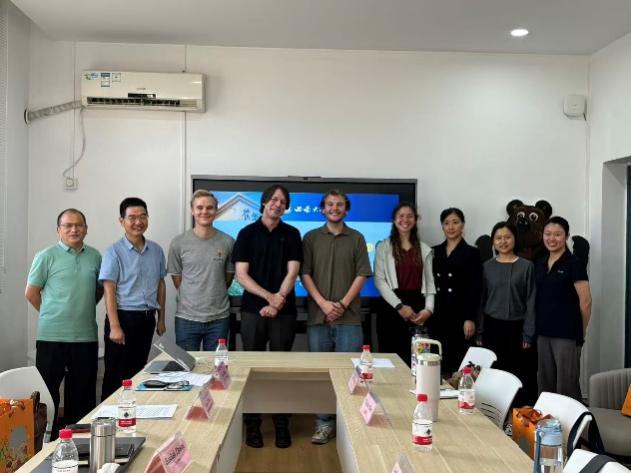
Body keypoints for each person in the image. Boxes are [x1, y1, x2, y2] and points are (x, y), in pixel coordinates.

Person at [232, 184, 302, 449]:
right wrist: (269, 298)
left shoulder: (292, 234)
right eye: (273, 199)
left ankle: (282, 424)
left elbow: (293, 272)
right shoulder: (247, 233)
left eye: (283, 201)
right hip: (253, 311)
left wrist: (278, 300)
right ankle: (253, 425)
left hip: (284, 312)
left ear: (286, 207)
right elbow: (241, 275)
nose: (277, 204)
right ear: (263, 202)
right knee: (252, 370)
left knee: (281, 370)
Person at [301, 190, 372, 445]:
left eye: (339, 204)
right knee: (322, 374)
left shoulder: (357, 238)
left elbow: (362, 274)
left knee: (351, 374)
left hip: (349, 318)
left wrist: (341, 304)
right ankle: (323, 423)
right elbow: (305, 274)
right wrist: (323, 304)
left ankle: (350, 424)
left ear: (346, 209)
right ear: (323, 208)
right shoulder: (310, 238)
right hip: (317, 317)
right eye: (329, 204)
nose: (334, 208)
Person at [25, 209, 102, 434]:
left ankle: (79, 442)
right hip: (51, 337)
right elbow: (31, 293)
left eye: (79, 225)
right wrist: (51, 313)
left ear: (86, 229)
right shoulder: (45, 256)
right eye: (68, 225)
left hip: (85, 337)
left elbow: (98, 292)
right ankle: (45, 444)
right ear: (58, 230)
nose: (73, 229)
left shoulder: (95, 257)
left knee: (82, 395)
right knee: (47, 395)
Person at [99, 197, 167, 400]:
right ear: (122, 221)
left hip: (147, 319)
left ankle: (131, 413)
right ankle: (109, 415)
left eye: (143, 216)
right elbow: (109, 289)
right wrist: (115, 326)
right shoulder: (113, 252)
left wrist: (161, 318)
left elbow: (161, 284)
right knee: (116, 374)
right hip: (123, 318)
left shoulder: (156, 250)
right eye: (132, 217)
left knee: (138, 372)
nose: (138, 222)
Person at [167, 190, 234, 351]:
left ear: (216, 211)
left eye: (209, 207)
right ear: (192, 210)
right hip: (186, 318)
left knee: (217, 364)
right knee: (187, 365)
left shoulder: (228, 242)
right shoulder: (178, 243)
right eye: (199, 207)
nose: (204, 211)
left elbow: (227, 279)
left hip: (219, 318)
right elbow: (178, 280)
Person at [479, 221, 537, 405]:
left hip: (517, 328)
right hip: (492, 327)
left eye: (507, 237)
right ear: (493, 242)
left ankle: (518, 415)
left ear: (515, 239)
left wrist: (528, 333)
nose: (503, 241)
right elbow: (481, 301)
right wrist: (480, 331)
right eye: (498, 238)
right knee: (494, 373)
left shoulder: (527, 266)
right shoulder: (486, 267)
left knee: (518, 374)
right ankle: (494, 414)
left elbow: (531, 302)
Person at [535, 216, 591, 401]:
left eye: (558, 234)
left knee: (567, 386)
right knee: (545, 384)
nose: (552, 238)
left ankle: (575, 420)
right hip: (543, 332)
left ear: (566, 236)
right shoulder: (540, 263)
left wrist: (581, 331)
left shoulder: (574, 263)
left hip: (567, 334)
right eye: (548, 234)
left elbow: (586, 301)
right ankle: (547, 419)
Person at [374, 201, 435, 367]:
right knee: (390, 362)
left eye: (410, 216)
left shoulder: (425, 249)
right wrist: (400, 306)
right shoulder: (383, 247)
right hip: (391, 308)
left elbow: (430, 283)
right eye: (401, 216)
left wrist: (428, 309)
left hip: (418, 310)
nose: (405, 220)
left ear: (415, 219)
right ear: (394, 220)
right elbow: (379, 280)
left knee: (419, 362)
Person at [432, 208, 482, 376]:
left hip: (460, 315)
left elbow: (475, 288)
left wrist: (470, 318)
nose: (451, 227)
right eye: (446, 223)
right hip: (438, 315)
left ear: (462, 225)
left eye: (455, 222)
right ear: (442, 226)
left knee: (459, 365)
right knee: (437, 363)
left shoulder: (472, 253)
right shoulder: (434, 251)